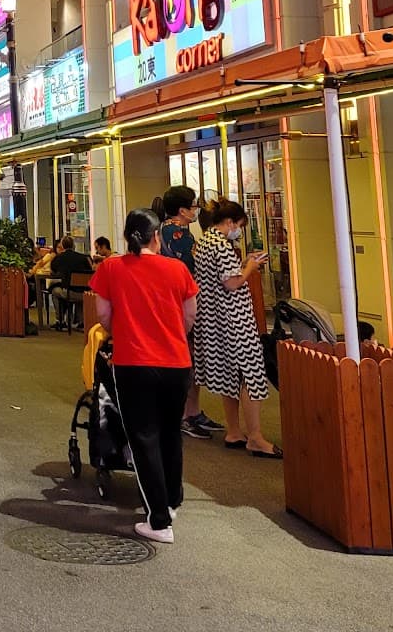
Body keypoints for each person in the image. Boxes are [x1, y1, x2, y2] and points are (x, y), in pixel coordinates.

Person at [91, 208, 199, 544]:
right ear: (157, 237)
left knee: (143, 438)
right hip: (177, 364)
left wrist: (129, 330)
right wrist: (167, 334)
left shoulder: (111, 268)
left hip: (133, 362)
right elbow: (189, 317)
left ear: (126, 237)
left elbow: (104, 317)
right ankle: (171, 500)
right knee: (170, 433)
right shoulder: (178, 269)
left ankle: (159, 520)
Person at [194, 199, 281, 458]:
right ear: (230, 222)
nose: (238, 231)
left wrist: (243, 263)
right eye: (239, 225)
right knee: (251, 374)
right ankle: (255, 436)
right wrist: (251, 268)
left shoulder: (205, 241)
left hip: (213, 320)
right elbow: (232, 284)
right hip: (235, 320)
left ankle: (234, 431)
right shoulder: (221, 245)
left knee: (228, 376)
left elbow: (221, 277)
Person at [154, 186, 221, 440]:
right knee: (185, 359)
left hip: (169, 302)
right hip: (180, 304)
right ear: (182, 210)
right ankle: (184, 414)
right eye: (194, 206)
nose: (197, 210)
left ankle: (190, 412)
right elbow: (190, 271)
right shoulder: (179, 234)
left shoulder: (163, 230)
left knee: (188, 358)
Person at [46, 235, 94, 330]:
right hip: (86, 292)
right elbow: (90, 271)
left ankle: (60, 320)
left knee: (55, 291)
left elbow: (53, 272)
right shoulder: (84, 258)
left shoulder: (58, 258)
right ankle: (81, 322)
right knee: (79, 289)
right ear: (73, 245)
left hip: (69, 292)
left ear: (62, 246)